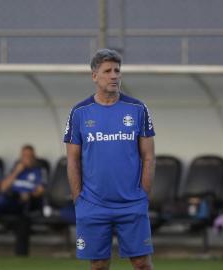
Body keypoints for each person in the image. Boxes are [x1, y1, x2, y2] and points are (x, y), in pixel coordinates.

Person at [64, 49, 156, 270]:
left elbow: (149, 157)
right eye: (108, 71)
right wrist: (80, 200)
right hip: (93, 204)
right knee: (98, 266)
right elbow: (72, 160)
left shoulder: (137, 109)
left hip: (131, 203)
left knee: (142, 264)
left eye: (117, 70)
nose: (114, 75)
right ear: (94, 76)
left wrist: (142, 194)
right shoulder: (79, 112)